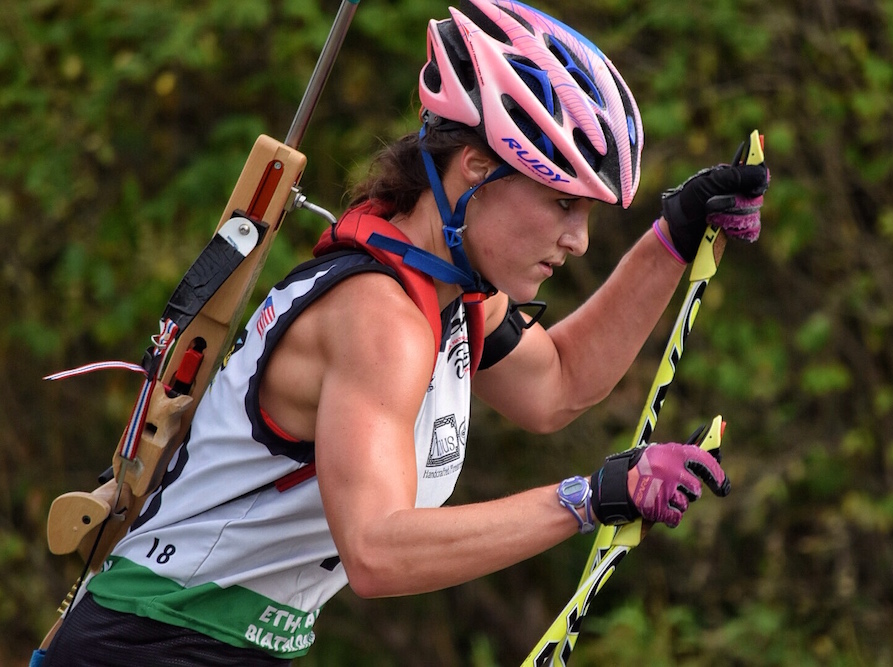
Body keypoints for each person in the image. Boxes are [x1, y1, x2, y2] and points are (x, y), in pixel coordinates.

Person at [40, 0, 769, 664]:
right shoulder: (379, 316)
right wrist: (588, 497)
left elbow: (558, 385)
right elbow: (379, 550)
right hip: (154, 639)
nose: (576, 240)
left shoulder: (448, 295)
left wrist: (673, 235)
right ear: (475, 169)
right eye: (559, 204)